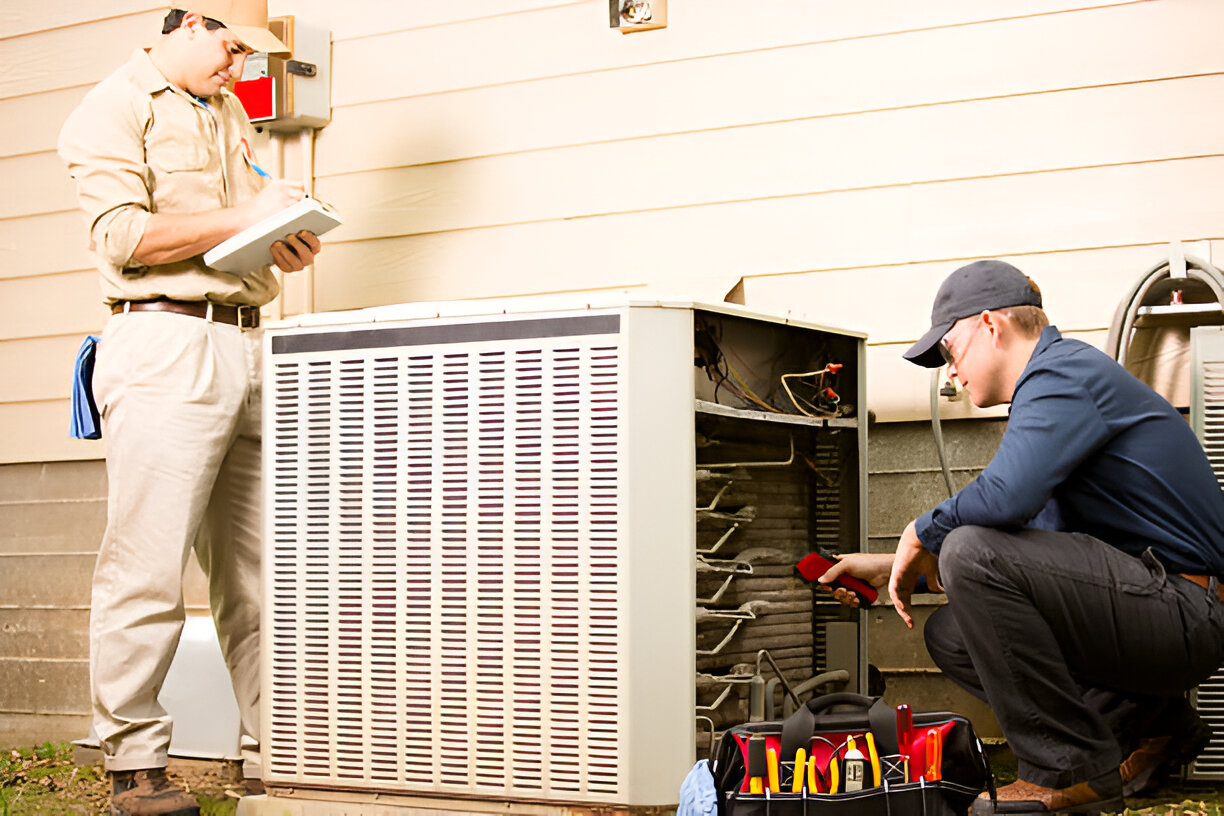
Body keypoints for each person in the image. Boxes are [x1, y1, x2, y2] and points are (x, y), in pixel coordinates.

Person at [820, 260, 1224, 815]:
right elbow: (1029, 556)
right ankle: (1155, 725)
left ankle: (1069, 770)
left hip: (1185, 609)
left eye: (950, 349)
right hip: (1157, 606)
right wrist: (894, 563)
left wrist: (921, 530)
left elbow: (1000, 510)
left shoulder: (1060, 375)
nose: (950, 373)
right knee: (954, 633)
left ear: (991, 325)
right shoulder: (1059, 388)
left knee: (966, 546)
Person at [57, 3, 322, 814]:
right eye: (230, 44)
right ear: (183, 22)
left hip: (250, 343)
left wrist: (284, 233)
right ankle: (135, 769)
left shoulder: (230, 112)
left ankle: (273, 756)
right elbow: (123, 238)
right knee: (147, 565)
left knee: (263, 574)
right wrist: (246, 216)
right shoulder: (111, 106)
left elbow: (229, 228)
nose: (239, 63)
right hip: (164, 341)